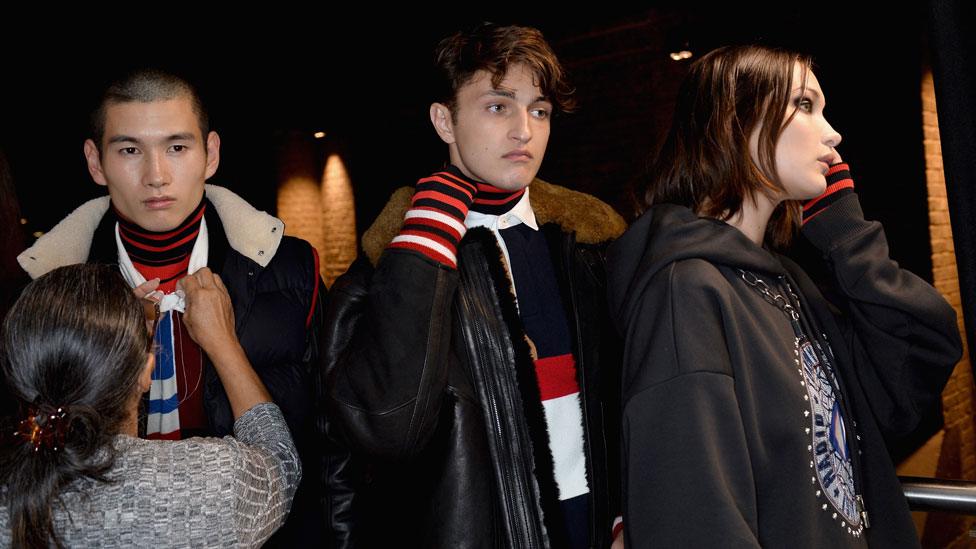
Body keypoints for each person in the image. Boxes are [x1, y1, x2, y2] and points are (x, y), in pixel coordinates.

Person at [606, 45, 962, 547]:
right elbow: (695, 519)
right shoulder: (684, 291)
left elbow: (917, 363)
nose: (833, 133)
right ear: (736, 121)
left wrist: (848, 236)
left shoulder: (788, 280)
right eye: (804, 105)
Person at [323, 23, 627, 547]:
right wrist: (432, 224)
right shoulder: (385, 271)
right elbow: (381, 434)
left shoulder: (591, 248)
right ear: (444, 120)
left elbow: (627, 401)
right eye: (497, 106)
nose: (524, 132)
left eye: (539, 110)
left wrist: (628, 514)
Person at [15, 69, 327, 545]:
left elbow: (331, 442)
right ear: (96, 162)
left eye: (177, 147)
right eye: (129, 150)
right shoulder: (47, 291)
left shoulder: (290, 267)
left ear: (212, 154)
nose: (156, 176)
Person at [0, 263, 300, 547]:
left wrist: (109, 334)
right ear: (146, 372)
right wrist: (224, 342)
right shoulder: (210, 486)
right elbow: (281, 463)